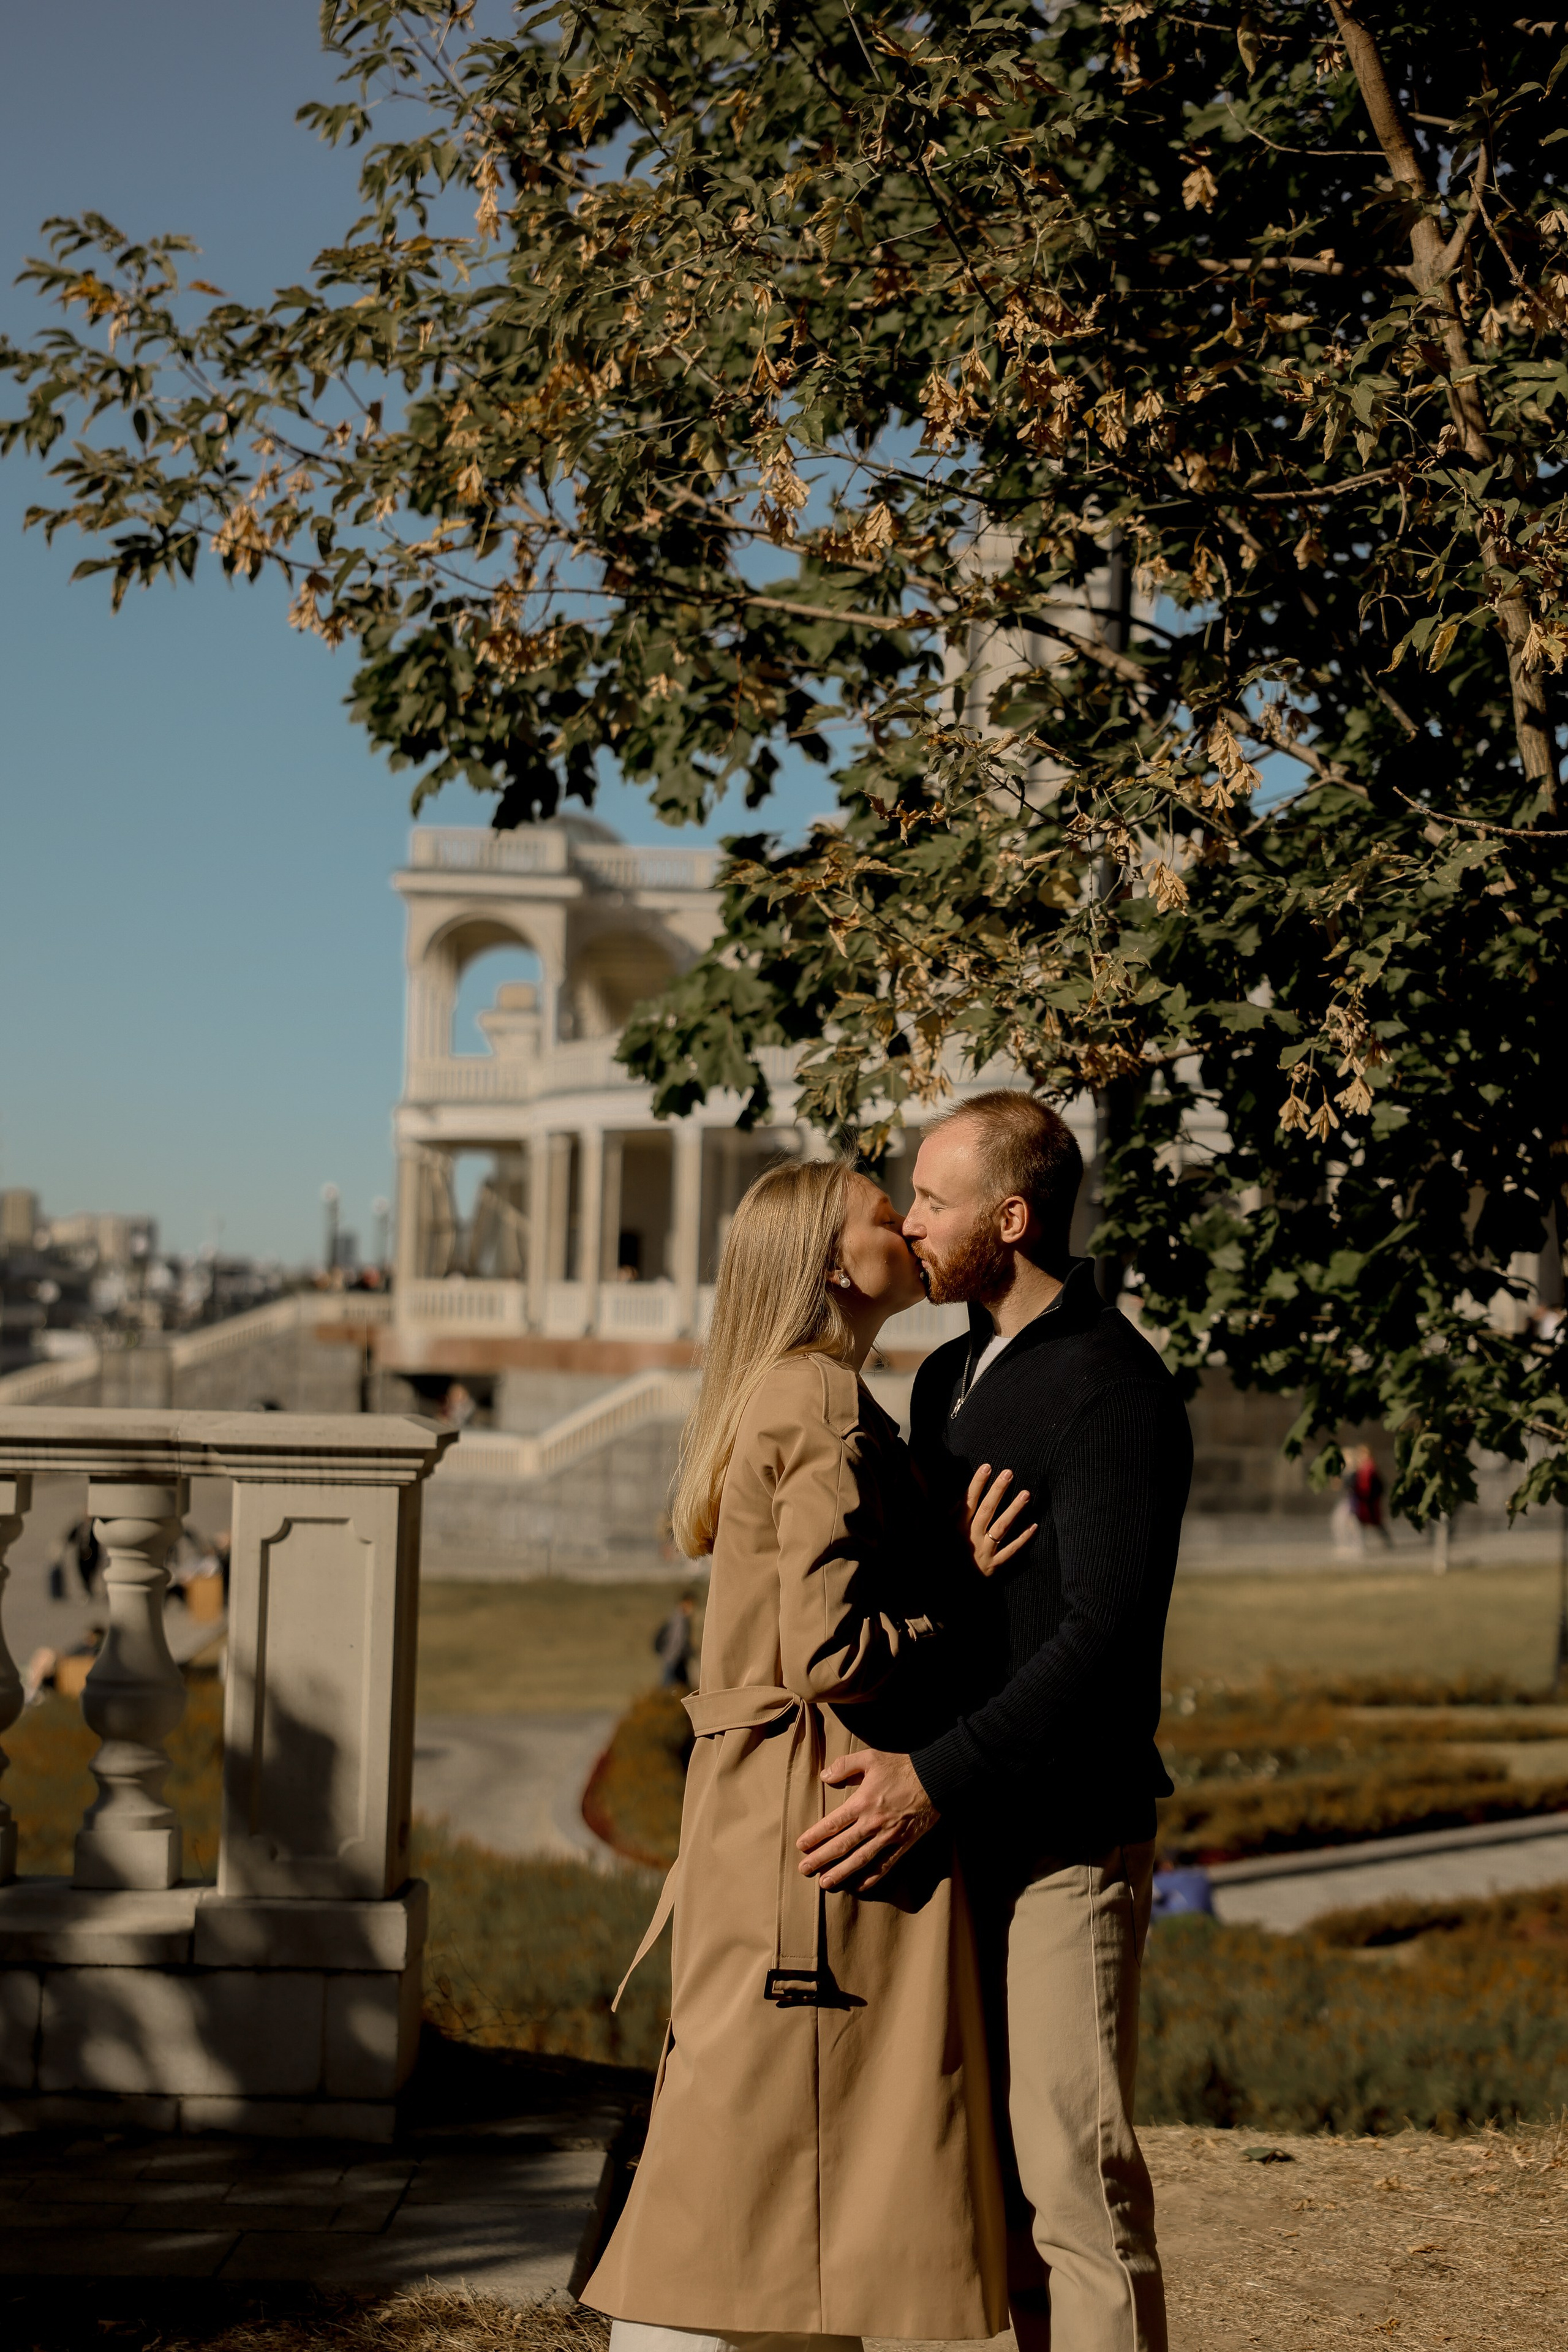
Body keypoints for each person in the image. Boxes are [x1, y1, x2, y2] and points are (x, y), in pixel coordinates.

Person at [583, 1159, 1031, 2352]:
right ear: (834, 1264)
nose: (913, 1224)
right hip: (821, 1822)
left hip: (767, 1820)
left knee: (756, 2153)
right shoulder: (821, 1401)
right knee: (772, 2155)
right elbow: (832, 1651)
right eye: (888, 1214)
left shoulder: (797, 1393)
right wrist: (963, 1598)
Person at [798, 1091, 1193, 2352]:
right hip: (961, 1838)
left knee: (1076, 2190)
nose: (909, 1222)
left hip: (1065, 1842)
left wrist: (930, 1780)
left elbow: (1101, 1647)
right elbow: (950, 1614)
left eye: (932, 1200)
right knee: (993, 2196)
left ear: (1010, 1219)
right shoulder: (943, 1379)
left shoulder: (1115, 1392)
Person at [1345, 1443, 1392, 1547]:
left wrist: (1367, 1495)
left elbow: (1371, 1486)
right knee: (1361, 1522)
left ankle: (1385, 1542)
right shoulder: (1362, 1468)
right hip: (1363, 1501)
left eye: (1363, 1454)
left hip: (1368, 1501)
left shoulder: (1370, 1469)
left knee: (1374, 1522)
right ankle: (1359, 1544)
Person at [653, 1592, 698, 1689]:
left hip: (674, 1658)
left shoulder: (676, 1617)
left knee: (676, 1687)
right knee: (670, 1688)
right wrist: (690, 1652)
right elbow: (679, 1641)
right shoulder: (681, 1620)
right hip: (675, 1659)